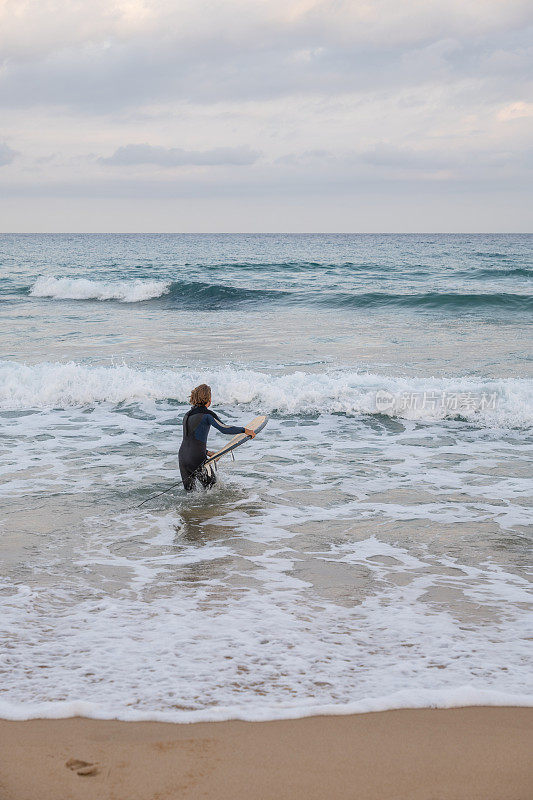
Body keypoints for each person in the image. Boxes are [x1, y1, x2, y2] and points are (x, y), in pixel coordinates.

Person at [179, 383, 255, 492]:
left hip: (182, 458)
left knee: (190, 494)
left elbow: (190, 441)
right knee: (213, 489)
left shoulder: (187, 415)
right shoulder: (207, 414)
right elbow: (224, 429)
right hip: (197, 459)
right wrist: (245, 430)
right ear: (209, 399)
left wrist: (208, 452)